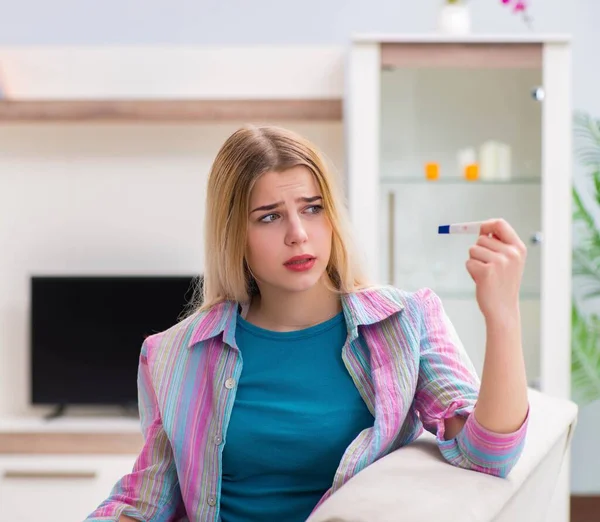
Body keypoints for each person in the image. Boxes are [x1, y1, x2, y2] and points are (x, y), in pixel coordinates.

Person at [85, 125, 529, 522]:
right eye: (270, 216)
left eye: (312, 208)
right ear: (233, 234)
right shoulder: (174, 354)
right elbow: (145, 502)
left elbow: (488, 456)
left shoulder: (404, 322)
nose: (298, 232)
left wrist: (503, 314)